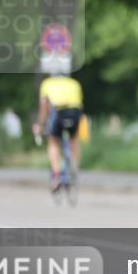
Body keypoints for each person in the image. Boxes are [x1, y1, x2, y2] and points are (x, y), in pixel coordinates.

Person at [32, 55, 84, 191]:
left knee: (53, 142)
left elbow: (44, 107)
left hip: (59, 113)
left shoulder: (47, 84)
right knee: (74, 139)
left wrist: (40, 124)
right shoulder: (74, 84)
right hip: (75, 113)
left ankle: (56, 175)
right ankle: (75, 169)